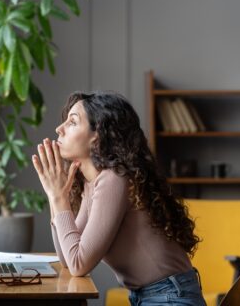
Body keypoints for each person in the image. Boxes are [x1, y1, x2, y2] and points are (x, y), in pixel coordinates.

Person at [32, 91, 206, 306]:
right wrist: (54, 195)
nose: (60, 128)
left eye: (73, 122)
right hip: (154, 296)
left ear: (97, 136)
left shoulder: (113, 179)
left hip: (170, 298)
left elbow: (78, 264)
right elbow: (68, 259)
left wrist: (59, 199)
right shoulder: (92, 184)